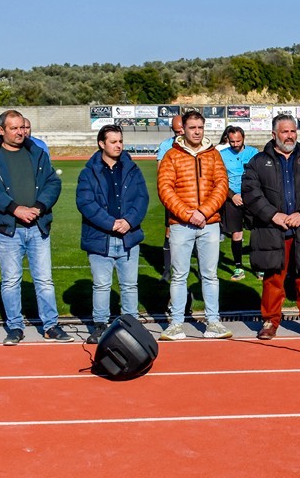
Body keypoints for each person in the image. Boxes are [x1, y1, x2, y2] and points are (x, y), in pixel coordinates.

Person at [0, 110, 71, 344]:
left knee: (45, 279)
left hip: (38, 226)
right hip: (8, 229)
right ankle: (15, 327)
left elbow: (52, 183)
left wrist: (39, 207)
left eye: (23, 127)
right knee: (10, 280)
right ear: (2, 130)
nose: (20, 132)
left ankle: (51, 326)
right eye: (15, 128)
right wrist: (14, 209)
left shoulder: (36, 152)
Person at [242, 114, 300, 340]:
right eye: (284, 131)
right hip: (273, 230)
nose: (289, 136)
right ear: (274, 135)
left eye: (292, 131)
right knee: (273, 278)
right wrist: (273, 215)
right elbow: (251, 193)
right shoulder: (258, 161)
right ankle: (270, 321)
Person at [157, 110, 232, 340]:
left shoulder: (213, 156)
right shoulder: (172, 155)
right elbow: (165, 189)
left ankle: (213, 322)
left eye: (200, 127)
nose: (197, 132)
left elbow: (221, 185)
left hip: (209, 224)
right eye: (192, 128)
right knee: (179, 275)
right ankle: (176, 323)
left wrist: (204, 212)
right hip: (181, 224)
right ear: (184, 129)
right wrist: (187, 214)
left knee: (209, 275)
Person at [76, 125, 149, 343]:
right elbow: (86, 203)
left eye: (120, 141)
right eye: (113, 142)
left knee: (129, 285)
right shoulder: (88, 172)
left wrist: (129, 222)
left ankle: (131, 324)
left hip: (128, 236)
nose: (118, 145)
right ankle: (100, 325)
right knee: (101, 285)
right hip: (100, 237)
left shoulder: (132, 169)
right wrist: (111, 224)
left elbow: (142, 199)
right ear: (102, 144)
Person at [219, 126, 258, 281]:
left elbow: (259, 177)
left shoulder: (253, 153)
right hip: (231, 199)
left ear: (244, 138)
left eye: (238, 141)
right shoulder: (221, 155)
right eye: (232, 141)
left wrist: (250, 194)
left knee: (256, 232)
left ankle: (259, 267)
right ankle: (238, 267)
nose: (235, 144)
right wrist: (232, 195)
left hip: (251, 199)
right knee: (236, 233)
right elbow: (219, 180)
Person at [156, 115, 184, 282]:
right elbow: (160, 172)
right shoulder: (166, 146)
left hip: (193, 196)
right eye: (176, 131)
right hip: (174, 197)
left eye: (181, 130)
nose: (179, 133)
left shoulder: (197, 144)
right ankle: (167, 270)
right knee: (169, 231)